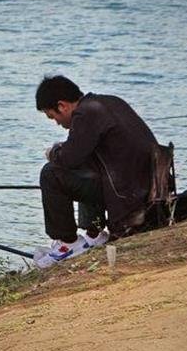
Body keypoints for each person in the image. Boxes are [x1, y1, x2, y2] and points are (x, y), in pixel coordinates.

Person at [34, 75, 158, 267]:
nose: (56, 123)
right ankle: (94, 234)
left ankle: (68, 243)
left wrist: (54, 152)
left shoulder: (86, 113)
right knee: (85, 164)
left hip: (125, 195)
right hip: (140, 188)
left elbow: (68, 159)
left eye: (53, 117)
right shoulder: (109, 102)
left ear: (62, 106)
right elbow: (81, 152)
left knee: (51, 173)